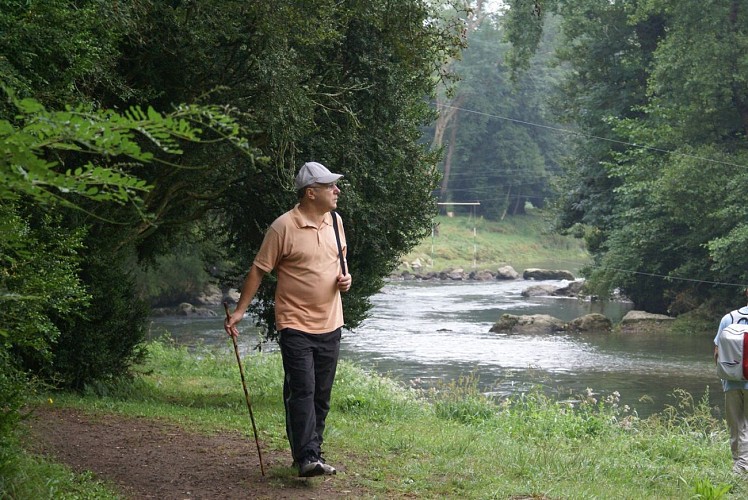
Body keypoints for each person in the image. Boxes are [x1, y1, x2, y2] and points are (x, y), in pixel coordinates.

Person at [224, 161, 352, 477]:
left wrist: (345, 280)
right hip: (295, 323)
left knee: (321, 394)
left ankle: (312, 455)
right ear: (311, 193)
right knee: (303, 390)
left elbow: (341, 264)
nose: (336, 191)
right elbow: (259, 269)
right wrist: (240, 311)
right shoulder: (283, 227)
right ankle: (307, 457)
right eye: (330, 186)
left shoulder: (335, 222)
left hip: (331, 323)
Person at [714, 290, 748, 474]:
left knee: (736, 425)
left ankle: (739, 466)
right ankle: (743, 466)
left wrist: (726, 377)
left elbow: (717, 353)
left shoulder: (729, 318)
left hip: (732, 382)